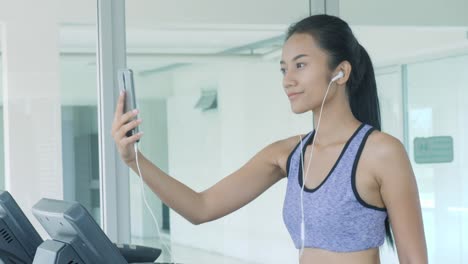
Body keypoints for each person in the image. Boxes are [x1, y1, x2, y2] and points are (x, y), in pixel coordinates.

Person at [112, 14, 427, 264]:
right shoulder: (286, 154)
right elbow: (201, 207)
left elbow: (414, 260)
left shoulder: (381, 153)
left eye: (300, 65)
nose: (288, 80)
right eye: (283, 69)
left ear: (340, 72)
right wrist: (132, 160)